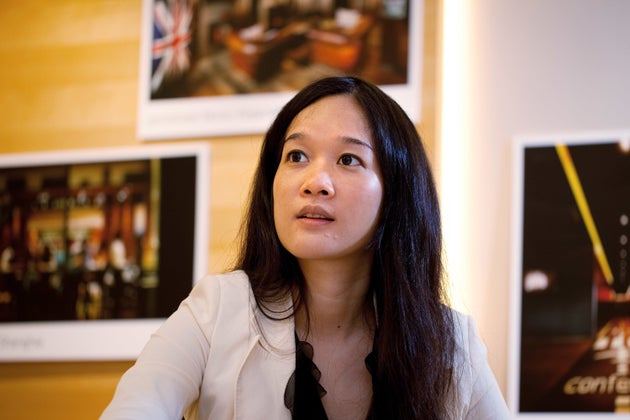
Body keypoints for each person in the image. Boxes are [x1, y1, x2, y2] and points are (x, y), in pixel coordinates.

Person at [101, 77, 510, 419]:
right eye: (296, 155)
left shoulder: (452, 344)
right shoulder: (216, 311)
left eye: (348, 160)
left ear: (397, 193)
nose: (315, 182)